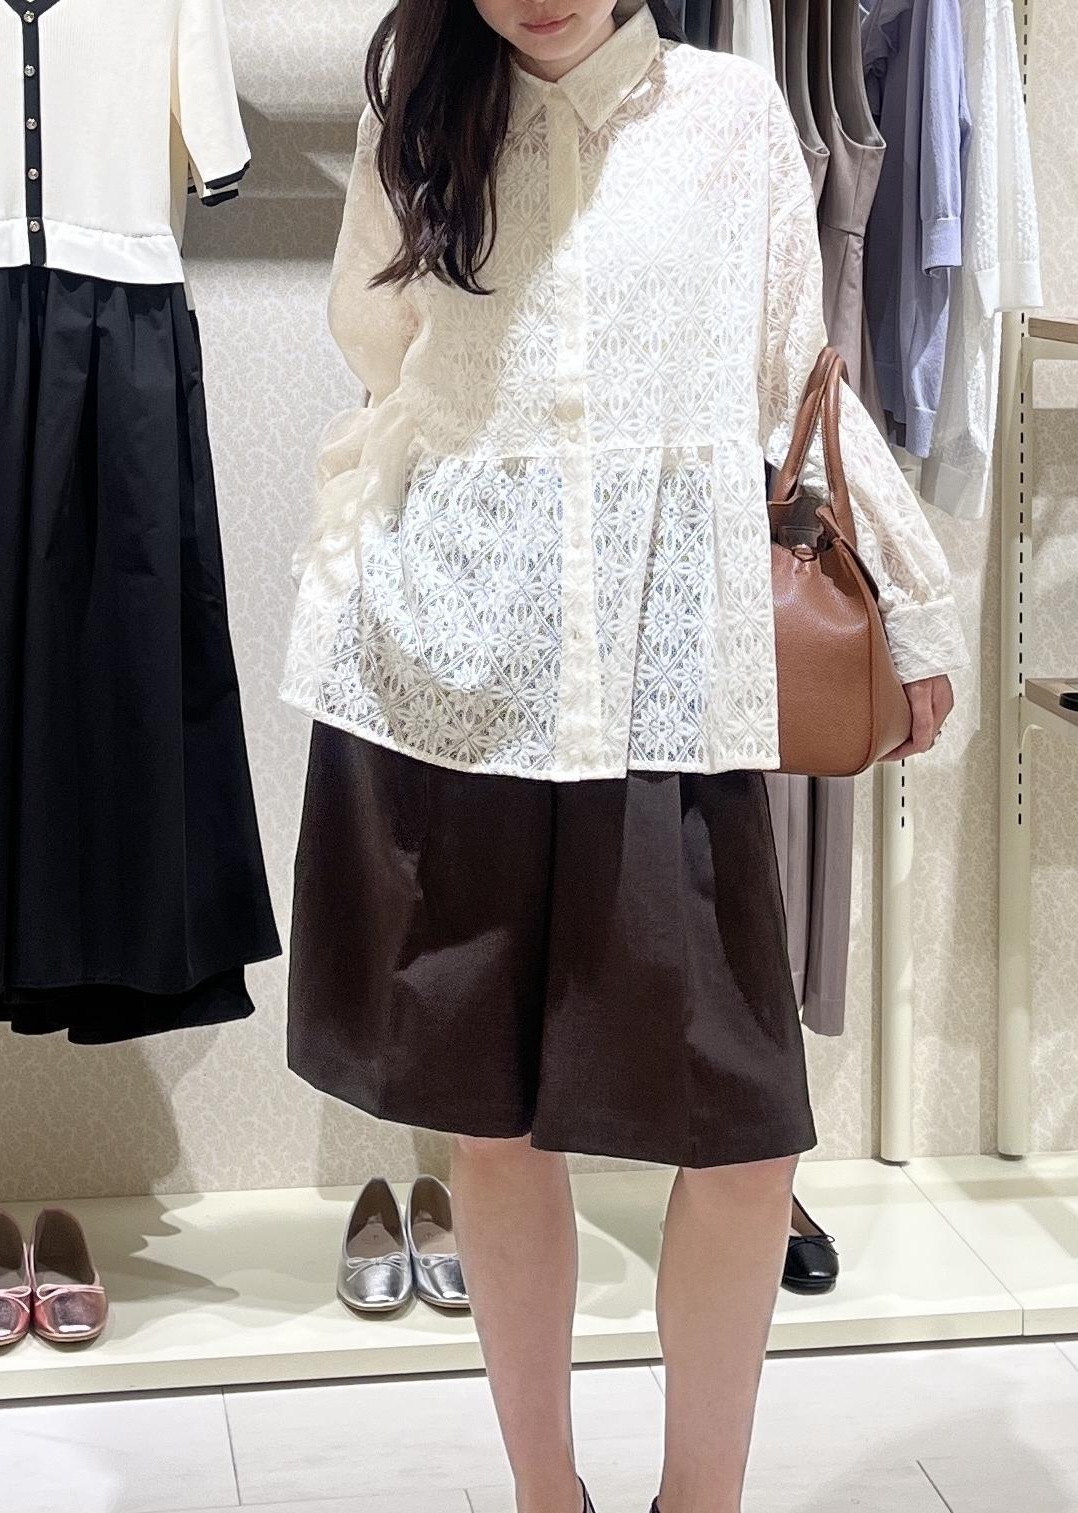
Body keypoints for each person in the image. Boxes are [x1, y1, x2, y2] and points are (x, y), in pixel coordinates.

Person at [280, 3, 967, 1510]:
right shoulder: (421, 116)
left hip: (671, 691)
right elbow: (382, 362)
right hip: (457, 681)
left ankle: (695, 1501)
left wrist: (914, 604)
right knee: (496, 1134)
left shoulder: (730, 117)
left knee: (743, 1143)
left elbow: (796, 378)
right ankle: (551, 1497)